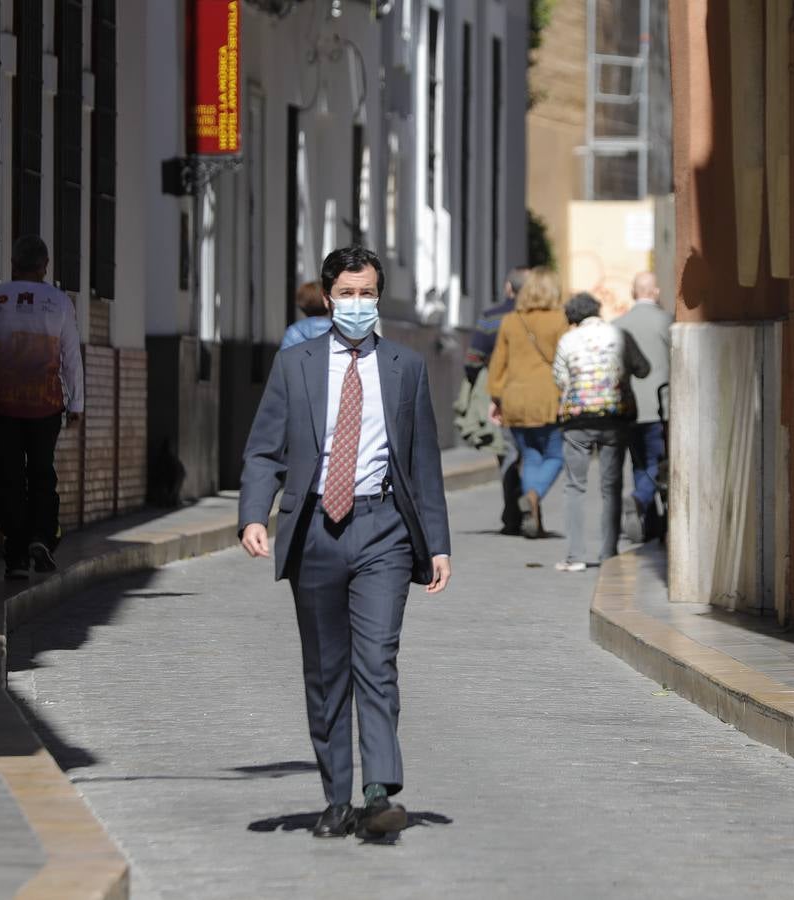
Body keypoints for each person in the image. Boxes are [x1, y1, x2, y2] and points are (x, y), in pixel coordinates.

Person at [239, 246, 452, 840]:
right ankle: (336, 798)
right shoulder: (296, 364)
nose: (357, 305)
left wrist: (436, 541)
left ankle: (379, 789)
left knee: (377, 660)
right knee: (327, 670)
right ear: (328, 297)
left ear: (377, 298)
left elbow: (423, 461)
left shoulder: (405, 367)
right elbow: (264, 449)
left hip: (382, 528)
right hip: (314, 530)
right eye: (347, 294)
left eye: (368, 294)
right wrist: (256, 513)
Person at [0, 235, 84, 580]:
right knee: (40, 472)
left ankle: (17, 555)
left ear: (13, 264)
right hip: (44, 406)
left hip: (0, 405)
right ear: (44, 266)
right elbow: (71, 358)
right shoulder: (59, 302)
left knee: (7, 477)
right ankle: (42, 536)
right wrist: (76, 403)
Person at [552, 293, 650, 572]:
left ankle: (575, 555)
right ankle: (609, 552)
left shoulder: (567, 340)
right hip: (614, 418)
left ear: (572, 316)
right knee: (611, 486)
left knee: (574, 486)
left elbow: (560, 378)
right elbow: (643, 369)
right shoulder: (620, 334)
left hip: (577, 421)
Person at [487, 268, 570, 538]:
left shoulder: (512, 320)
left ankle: (531, 507)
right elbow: (566, 362)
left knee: (531, 456)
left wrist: (495, 398)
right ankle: (533, 496)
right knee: (556, 456)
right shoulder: (560, 320)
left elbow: (498, 363)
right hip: (548, 397)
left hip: (515, 398)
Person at [457, 266, 530, 534]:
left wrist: (475, 379)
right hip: (537, 395)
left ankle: (513, 513)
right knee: (534, 453)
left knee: (508, 452)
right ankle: (530, 506)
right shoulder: (545, 317)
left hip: (502, 393)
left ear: (508, 288)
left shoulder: (492, 317)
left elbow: (474, 358)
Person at [613, 271, 671, 542]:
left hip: (628, 408)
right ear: (655, 292)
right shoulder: (667, 321)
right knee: (659, 463)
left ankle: (649, 524)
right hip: (661, 407)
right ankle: (639, 500)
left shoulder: (617, 324)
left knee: (639, 464)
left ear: (634, 292)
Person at [280, 280, 333, 349]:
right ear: (328, 301)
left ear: (301, 305)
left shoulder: (294, 331)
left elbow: (284, 358)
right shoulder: (339, 330)